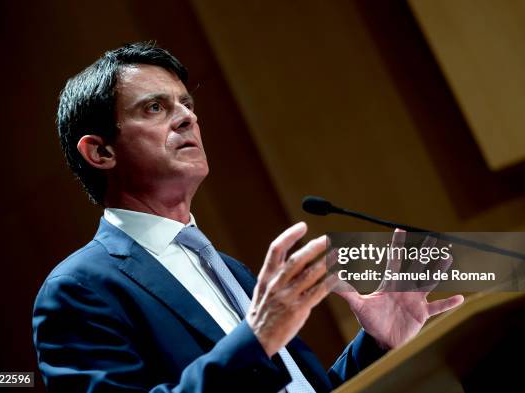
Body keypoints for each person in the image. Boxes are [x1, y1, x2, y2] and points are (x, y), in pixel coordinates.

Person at [32, 42, 463, 392]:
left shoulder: (229, 271)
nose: (187, 116)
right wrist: (255, 340)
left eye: (185, 103)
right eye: (154, 108)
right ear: (101, 151)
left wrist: (375, 345)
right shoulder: (79, 290)